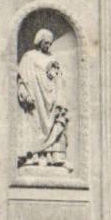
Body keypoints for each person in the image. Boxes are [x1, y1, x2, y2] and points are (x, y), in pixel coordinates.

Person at [17, 28, 70, 166]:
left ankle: (52, 156)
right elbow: (22, 78)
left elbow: (60, 77)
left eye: (50, 43)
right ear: (40, 41)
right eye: (46, 43)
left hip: (51, 99)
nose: (48, 45)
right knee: (35, 126)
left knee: (54, 125)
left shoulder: (53, 58)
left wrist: (56, 76)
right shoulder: (29, 57)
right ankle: (33, 156)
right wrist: (25, 93)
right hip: (36, 98)